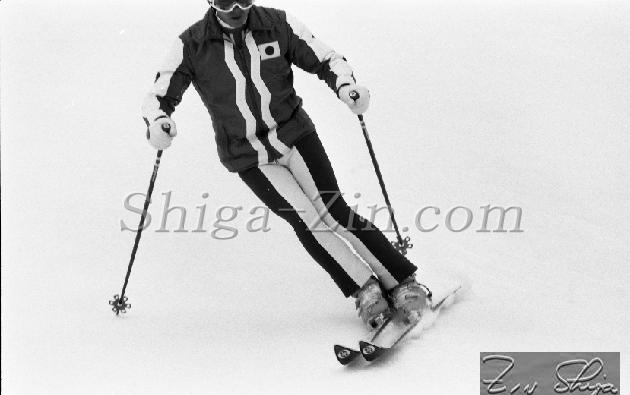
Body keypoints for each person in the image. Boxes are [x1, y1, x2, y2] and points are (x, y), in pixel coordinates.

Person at [142, 0, 430, 329]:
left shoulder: (276, 25)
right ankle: (365, 290)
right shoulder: (192, 45)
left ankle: (401, 281)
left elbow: (326, 59)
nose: (236, 9)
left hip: (295, 136)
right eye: (224, 1)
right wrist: (158, 122)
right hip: (249, 156)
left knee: (333, 210)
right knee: (307, 220)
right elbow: (158, 98)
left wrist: (346, 86)